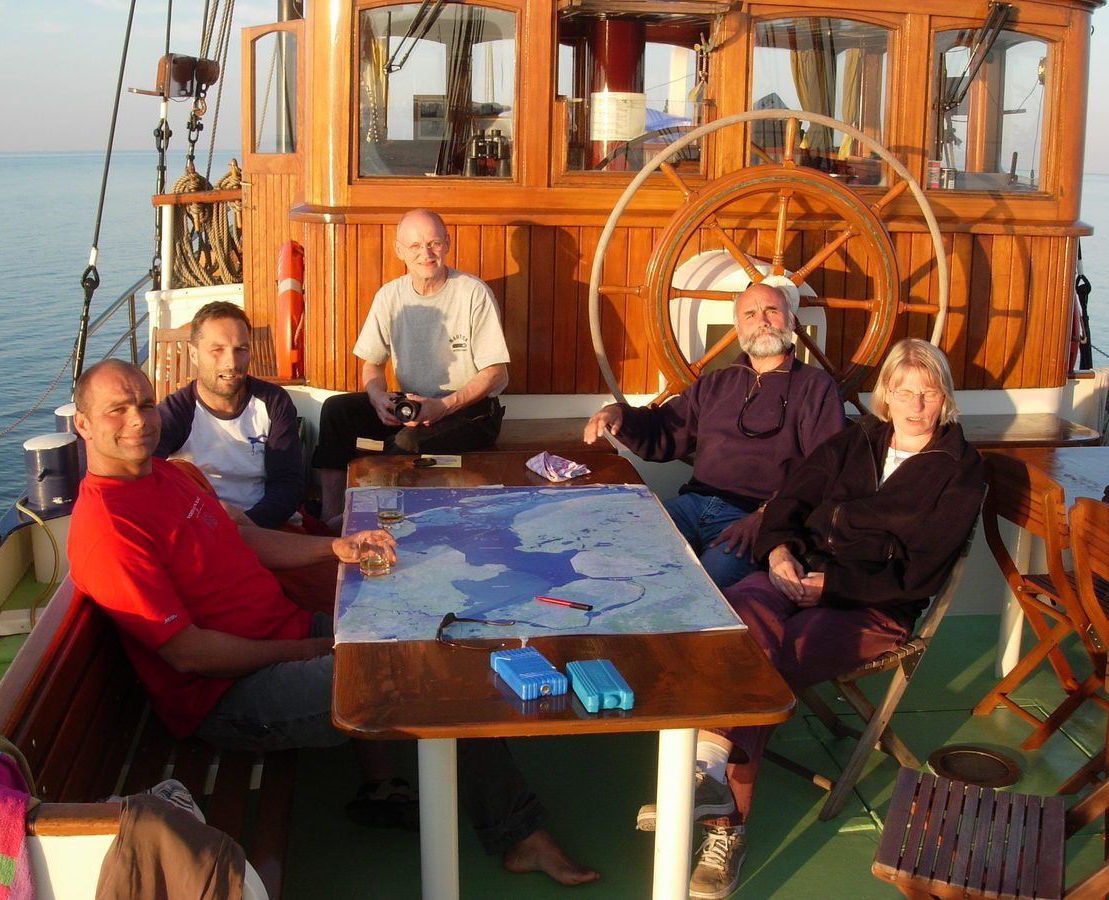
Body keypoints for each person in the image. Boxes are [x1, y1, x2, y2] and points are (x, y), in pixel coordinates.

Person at [67, 359, 597, 886]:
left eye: (144, 403)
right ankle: (519, 835)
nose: (139, 418)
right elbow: (189, 653)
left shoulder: (167, 472)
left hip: (287, 638)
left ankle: (468, 809)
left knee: (424, 639)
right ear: (83, 424)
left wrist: (335, 547)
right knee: (423, 673)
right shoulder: (108, 529)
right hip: (229, 695)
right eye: (117, 409)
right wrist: (304, 651)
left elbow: (245, 539)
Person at [637, 338, 986, 900]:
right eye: (904, 391)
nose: (915, 405)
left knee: (763, 669)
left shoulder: (959, 473)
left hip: (871, 607)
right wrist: (778, 554)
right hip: (795, 575)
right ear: (887, 396)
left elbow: (920, 576)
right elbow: (790, 505)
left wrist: (834, 584)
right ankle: (708, 777)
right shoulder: (856, 441)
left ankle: (722, 820)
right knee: (736, 630)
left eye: (928, 393)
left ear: (944, 399)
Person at [583, 283, 845, 586]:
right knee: (619, 550)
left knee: (705, 586)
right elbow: (666, 429)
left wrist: (767, 517)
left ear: (791, 321)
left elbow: (823, 471)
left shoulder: (816, 387)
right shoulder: (716, 383)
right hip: (693, 503)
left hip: (752, 519)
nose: (762, 321)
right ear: (738, 328)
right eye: (750, 314)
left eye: (772, 311)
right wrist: (620, 414)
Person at [312, 209, 510, 524]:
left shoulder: (473, 293)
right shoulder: (389, 296)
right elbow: (372, 364)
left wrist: (443, 406)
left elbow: (495, 372)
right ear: (399, 250)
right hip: (413, 404)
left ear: (447, 243)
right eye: (415, 246)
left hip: (470, 409)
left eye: (433, 243)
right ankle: (333, 518)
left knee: (405, 443)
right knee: (336, 411)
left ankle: (383, 522)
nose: (426, 254)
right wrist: (377, 396)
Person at [156, 301, 305, 529]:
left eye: (241, 350)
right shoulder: (178, 411)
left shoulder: (274, 402)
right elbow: (143, 470)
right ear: (194, 355)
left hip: (269, 526)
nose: (231, 363)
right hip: (206, 531)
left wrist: (250, 528)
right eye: (217, 350)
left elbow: (288, 482)